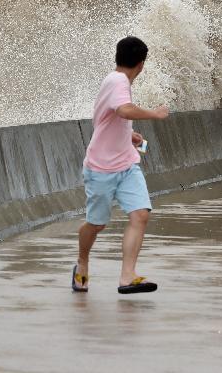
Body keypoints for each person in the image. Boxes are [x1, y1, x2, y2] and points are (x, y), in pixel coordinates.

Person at [72, 36, 169, 295]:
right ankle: (82, 261)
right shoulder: (117, 81)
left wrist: (130, 135)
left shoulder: (116, 81)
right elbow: (124, 109)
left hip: (127, 164)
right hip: (101, 168)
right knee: (96, 224)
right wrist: (155, 114)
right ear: (141, 64)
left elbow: (116, 117)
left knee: (140, 214)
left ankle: (127, 277)